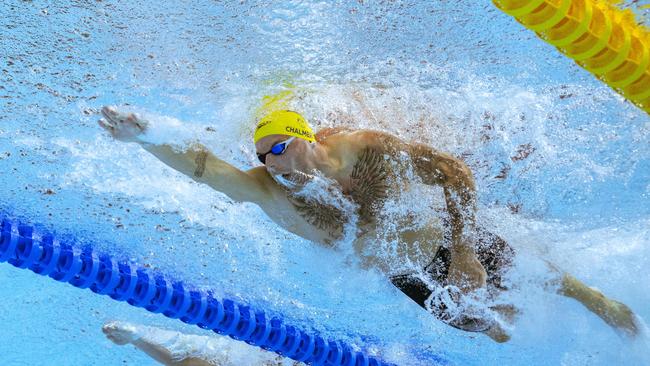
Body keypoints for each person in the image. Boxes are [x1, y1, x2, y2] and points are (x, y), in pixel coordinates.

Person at [97, 96, 640, 358]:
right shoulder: (266, 189)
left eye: (280, 148)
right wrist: (149, 134)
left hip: (449, 243)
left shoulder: (362, 149)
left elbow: (454, 173)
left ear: (306, 138)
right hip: (404, 272)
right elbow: (205, 171)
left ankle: (607, 306)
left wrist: (467, 248)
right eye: (264, 157)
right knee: (486, 328)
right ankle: (527, 334)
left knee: (547, 279)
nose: (273, 164)